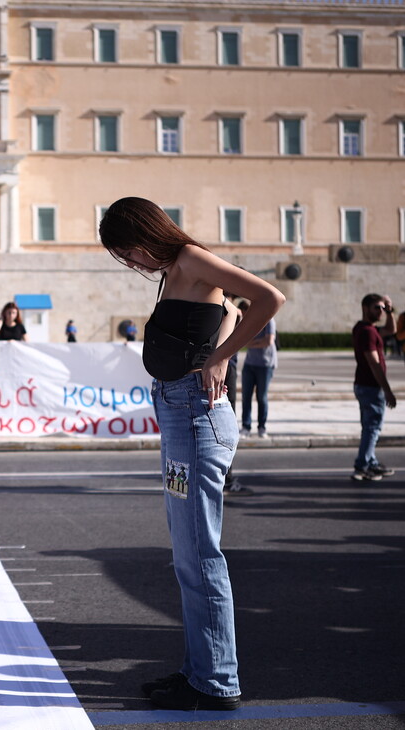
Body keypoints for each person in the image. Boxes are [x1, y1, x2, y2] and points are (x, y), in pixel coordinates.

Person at [99, 197, 284, 712]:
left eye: (127, 254)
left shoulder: (190, 259)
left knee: (200, 555)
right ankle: (199, 670)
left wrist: (221, 358)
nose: (131, 264)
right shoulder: (175, 270)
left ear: (143, 236)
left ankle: (216, 681)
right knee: (188, 556)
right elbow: (229, 309)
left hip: (197, 418)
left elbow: (268, 299)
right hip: (180, 416)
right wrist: (217, 345)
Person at [351, 293, 397, 481]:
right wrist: (387, 391)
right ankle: (362, 466)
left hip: (363, 385)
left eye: (382, 308)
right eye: (376, 308)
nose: (380, 312)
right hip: (370, 387)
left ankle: (371, 461)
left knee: (369, 427)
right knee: (373, 428)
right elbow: (375, 365)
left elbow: (391, 330)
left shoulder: (365, 328)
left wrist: (390, 311)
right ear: (365, 308)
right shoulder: (368, 332)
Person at [223, 299, 252, 496]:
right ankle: (226, 479)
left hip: (222, 367)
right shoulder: (229, 310)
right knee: (227, 425)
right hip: (226, 369)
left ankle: (224, 478)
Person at [240, 311, 277, 438]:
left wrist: (252, 344)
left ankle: (262, 427)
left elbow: (269, 341)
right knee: (246, 396)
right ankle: (246, 426)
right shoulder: (251, 320)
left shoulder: (269, 320)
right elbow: (243, 340)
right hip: (250, 363)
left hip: (265, 364)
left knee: (261, 397)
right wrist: (255, 343)